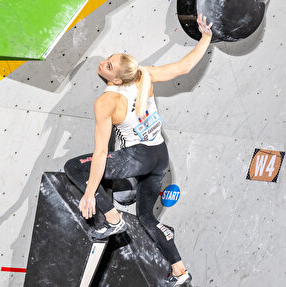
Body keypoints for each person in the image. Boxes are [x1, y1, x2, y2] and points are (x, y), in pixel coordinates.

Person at [64, 13, 213, 287]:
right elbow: (184, 67)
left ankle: (112, 219)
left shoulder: (107, 101)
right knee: (146, 217)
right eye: (107, 60)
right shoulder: (144, 75)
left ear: (118, 80)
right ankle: (180, 271)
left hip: (139, 156)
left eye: (107, 66)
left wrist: (89, 195)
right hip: (160, 155)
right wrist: (206, 37)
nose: (102, 63)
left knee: (74, 167)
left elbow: (99, 154)